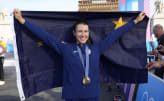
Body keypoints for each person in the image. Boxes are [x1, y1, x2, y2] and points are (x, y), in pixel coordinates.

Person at [14, 9, 145, 101]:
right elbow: (46, 37)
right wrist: (22, 20)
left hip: (92, 94)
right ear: (74, 33)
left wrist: (135, 21)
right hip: (72, 95)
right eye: (80, 31)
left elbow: (114, 35)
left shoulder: (96, 48)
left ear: (89, 33)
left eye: (86, 31)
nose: (83, 34)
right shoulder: (65, 48)